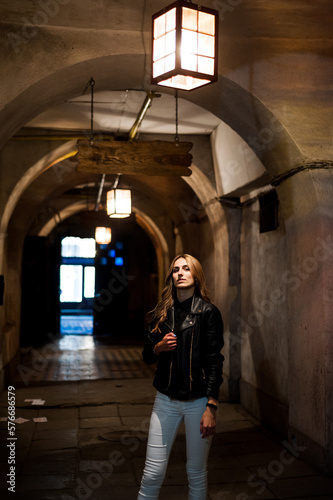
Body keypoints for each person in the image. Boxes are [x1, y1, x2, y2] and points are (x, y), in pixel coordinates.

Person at [137, 254, 224, 500]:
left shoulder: (208, 312)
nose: (180, 273)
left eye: (186, 269)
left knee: (196, 473)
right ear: (171, 277)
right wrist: (158, 348)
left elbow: (215, 361)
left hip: (198, 402)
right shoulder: (161, 313)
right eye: (176, 269)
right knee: (152, 473)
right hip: (165, 401)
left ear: (196, 275)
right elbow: (146, 355)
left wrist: (211, 406)